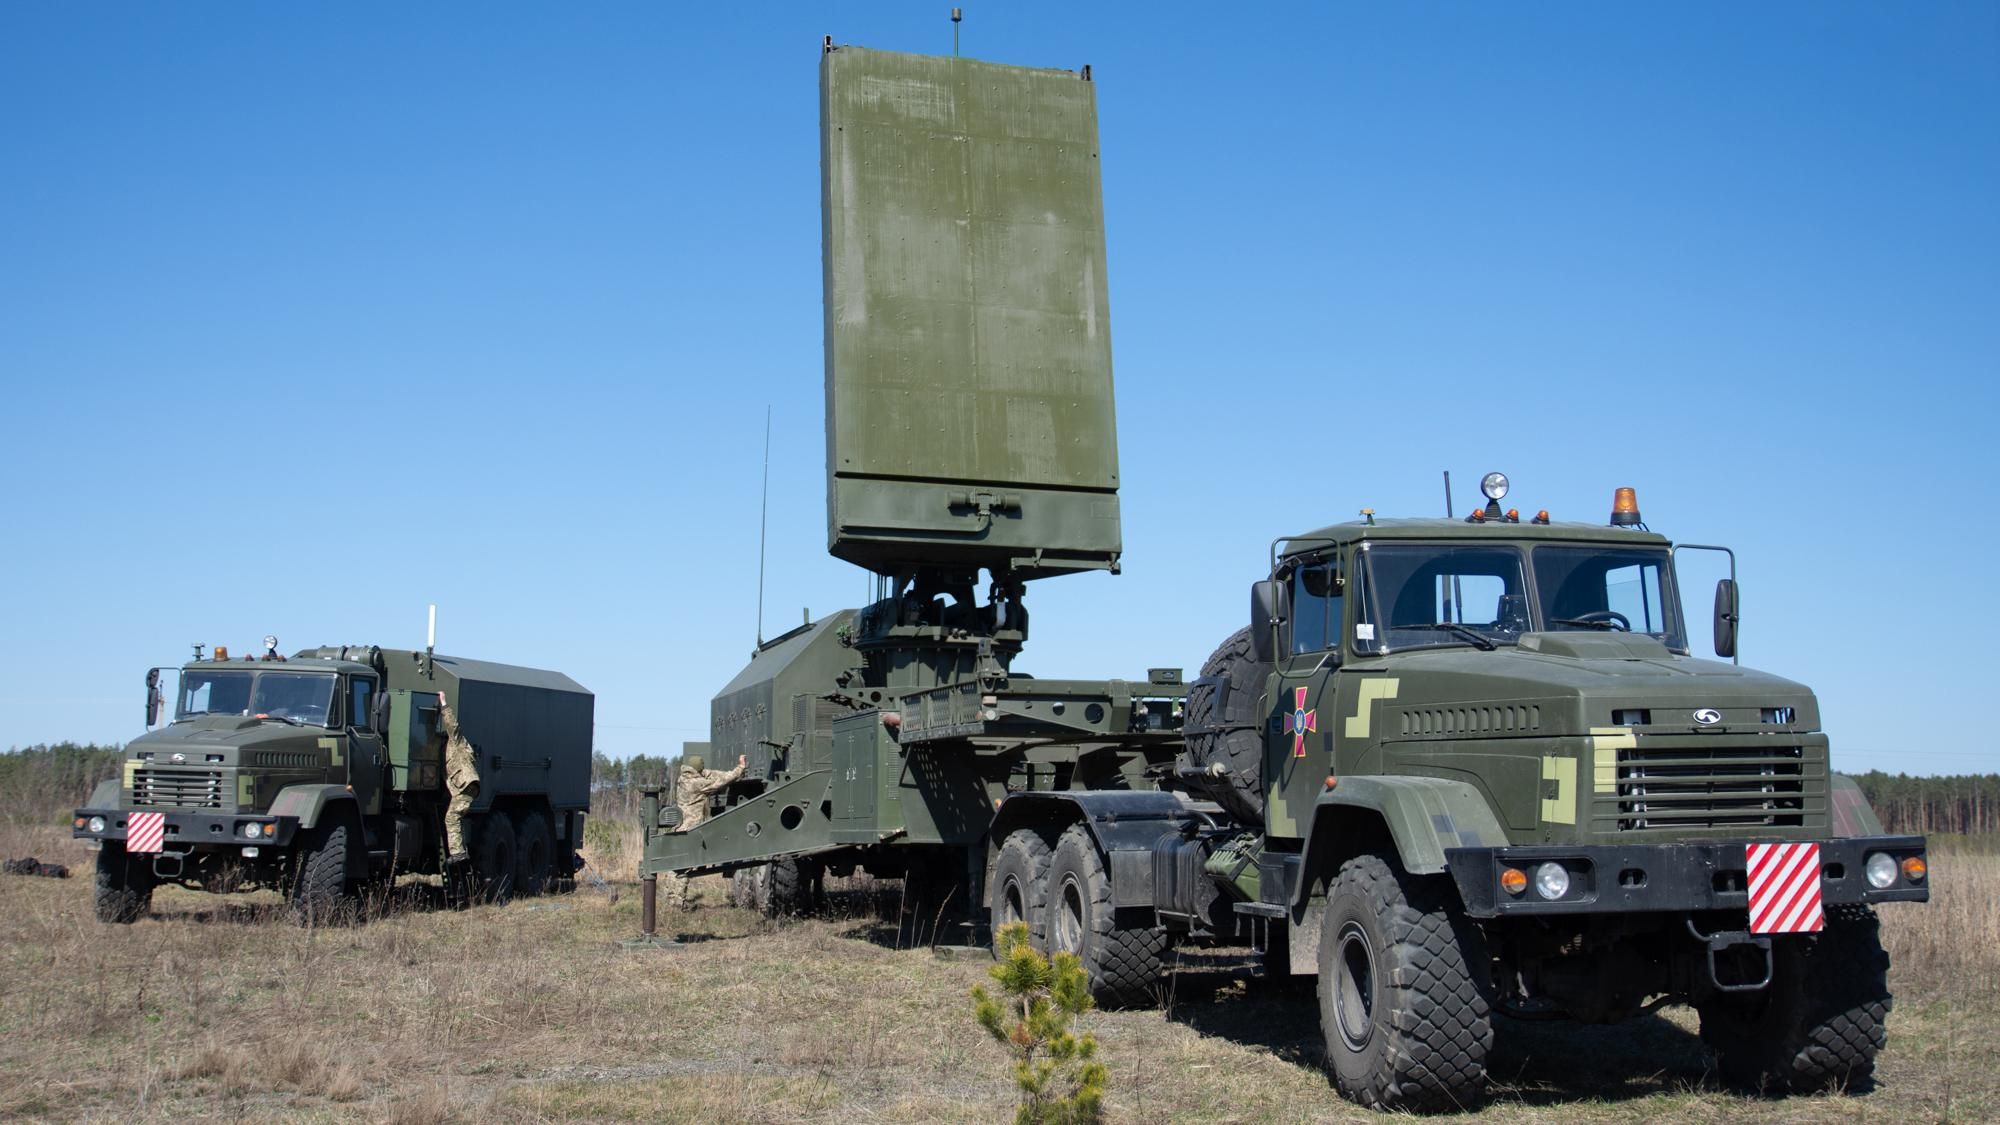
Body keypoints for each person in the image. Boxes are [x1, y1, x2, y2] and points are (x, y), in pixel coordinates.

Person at [661, 751, 746, 908]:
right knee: (684, 867)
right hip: (690, 830)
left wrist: (708, 772)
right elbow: (720, 783)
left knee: (675, 865)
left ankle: (670, 898)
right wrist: (740, 769)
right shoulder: (696, 784)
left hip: (679, 827)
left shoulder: (683, 779)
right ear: (698, 770)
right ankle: (678, 902)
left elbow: (708, 774)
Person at [437, 691, 480, 867]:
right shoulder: (456, 748)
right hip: (465, 785)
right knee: (457, 816)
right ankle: (461, 851)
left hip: (465, 784)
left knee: (451, 817)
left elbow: (452, 725)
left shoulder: (456, 741)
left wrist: (444, 704)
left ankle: (458, 853)